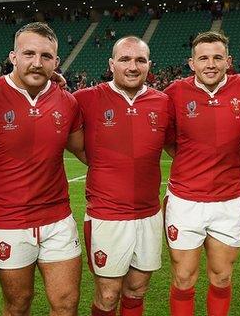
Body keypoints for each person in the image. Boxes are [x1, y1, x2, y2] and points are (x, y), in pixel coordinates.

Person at [0, 22, 83, 316]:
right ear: (13, 57)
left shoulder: (67, 102)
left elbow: (86, 152)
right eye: (28, 53)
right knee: (18, 304)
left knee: (66, 304)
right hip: (8, 221)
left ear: (56, 62)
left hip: (58, 219)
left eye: (46, 56)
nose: (36, 62)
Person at [164, 31, 240, 316]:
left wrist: (236, 174)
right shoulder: (174, 92)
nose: (211, 64)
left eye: (217, 57)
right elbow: (170, 142)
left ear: (228, 61)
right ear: (191, 62)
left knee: (222, 277)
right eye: (203, 58)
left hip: (228, 203)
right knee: (183, 278)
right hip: (184, 202)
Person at [73, 36, 173, 316]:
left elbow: (179, 148)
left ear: (149, 65)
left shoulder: (163, 102)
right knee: (107, 295)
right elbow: (64, 133)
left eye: (140, 60)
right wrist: (96, 160)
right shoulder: (86, 99)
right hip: (107, 215)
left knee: (137, 290)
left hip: (149, 214)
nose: (132, 66)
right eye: (125, 59)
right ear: (111, 64)